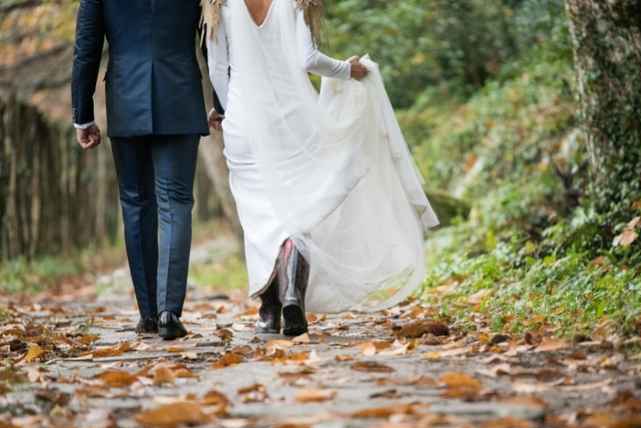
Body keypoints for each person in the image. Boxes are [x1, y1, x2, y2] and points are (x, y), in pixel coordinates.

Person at [205, 0, 440, 337]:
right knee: (299, 209)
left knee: (258, 217)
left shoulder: (219, 4)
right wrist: (348, 70)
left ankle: (269, 312)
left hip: (245, 121)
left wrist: (228, 110)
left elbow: (217, 68)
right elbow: (309, 60)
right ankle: (292, 296)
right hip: (294, 117)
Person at [71, 0, 221, 340]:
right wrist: (220, 101)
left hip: (126, 96)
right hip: (180, 93)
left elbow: (86, 49)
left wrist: (83, 113)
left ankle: (149, 314)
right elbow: (212, 41)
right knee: (176, 201)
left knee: (136, 203)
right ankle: (170, 311)